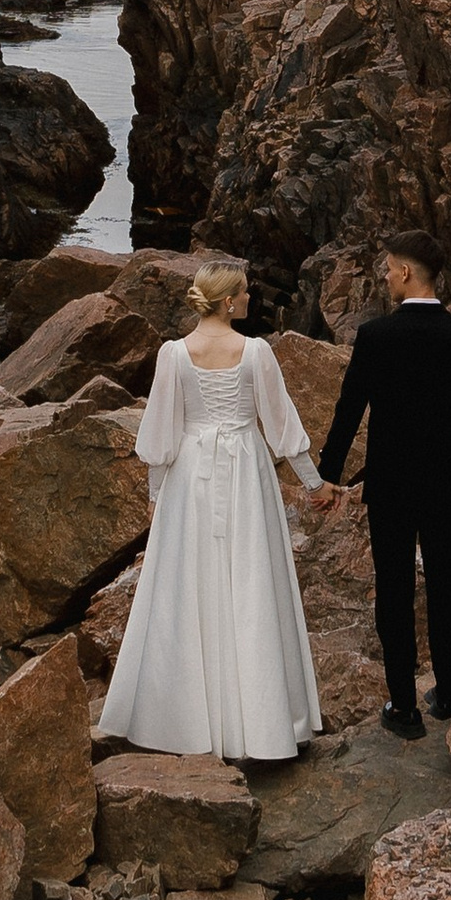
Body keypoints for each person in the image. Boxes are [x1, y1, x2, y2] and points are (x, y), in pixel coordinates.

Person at [96, 262, 324, 763]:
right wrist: (314, 483)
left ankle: (185, 722)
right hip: (245, 472)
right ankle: (260, 727)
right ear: (227, 302)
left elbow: (162, 433)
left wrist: (158, 501)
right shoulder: (256, 351)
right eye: (244, 292)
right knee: (250, 583)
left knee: (189, 586)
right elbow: (281, 424)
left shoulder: (174, 354)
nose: (249, 298)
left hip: (190, 480)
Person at [316, 230, 451, 740]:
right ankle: (446, 696)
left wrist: (328, 475)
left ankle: (403, 707)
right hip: (446, 482)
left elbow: (349, 411)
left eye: (389, 267)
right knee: (446, 585)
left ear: (406, 273)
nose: (385, 274)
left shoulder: (376, 337)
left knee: (393, 589)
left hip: (391, 483)